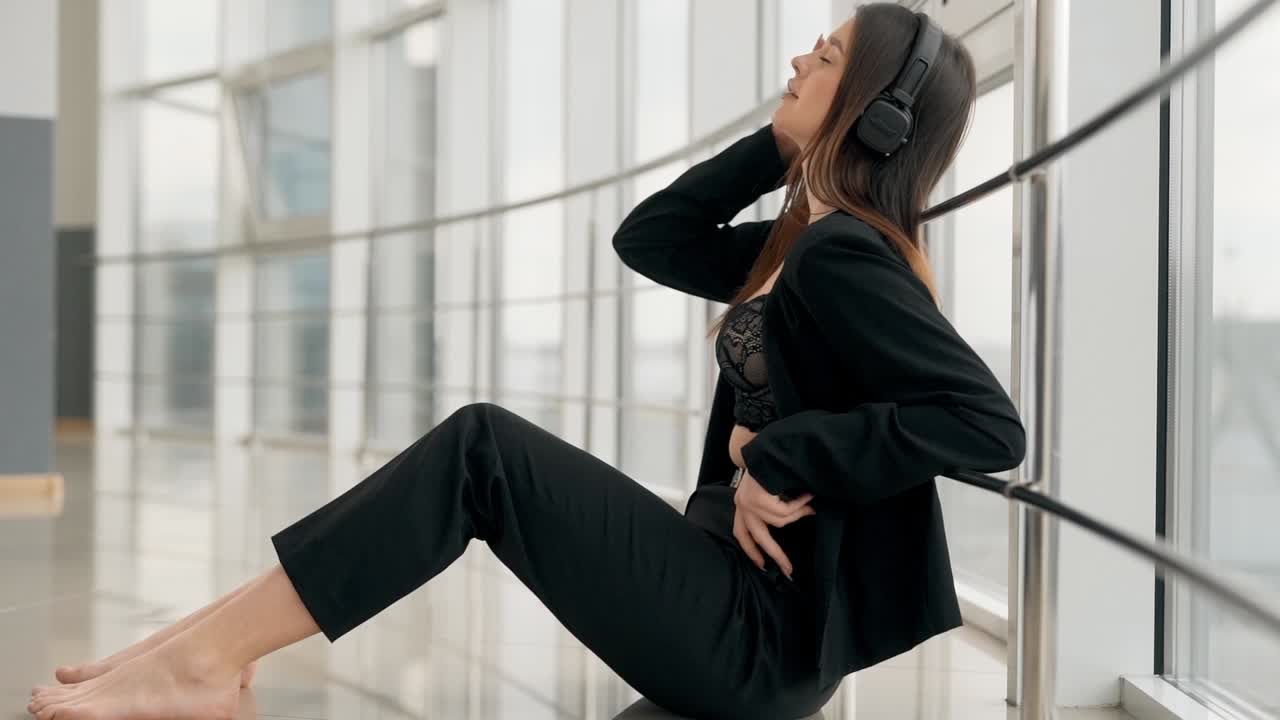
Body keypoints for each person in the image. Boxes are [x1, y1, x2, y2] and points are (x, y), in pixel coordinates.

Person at [28, 5, 1023, 720]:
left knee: (483, 451)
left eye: (829, 54)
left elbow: (984, 423)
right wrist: (777, 144)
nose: (801, 57)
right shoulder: (801, 243)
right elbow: (653, 238)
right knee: (479, 452)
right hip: (727, 593)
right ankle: (188, 654)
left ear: (880, 108)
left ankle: (200, 665)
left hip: (754, 637)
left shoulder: (845, 253)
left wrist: (780, 454)